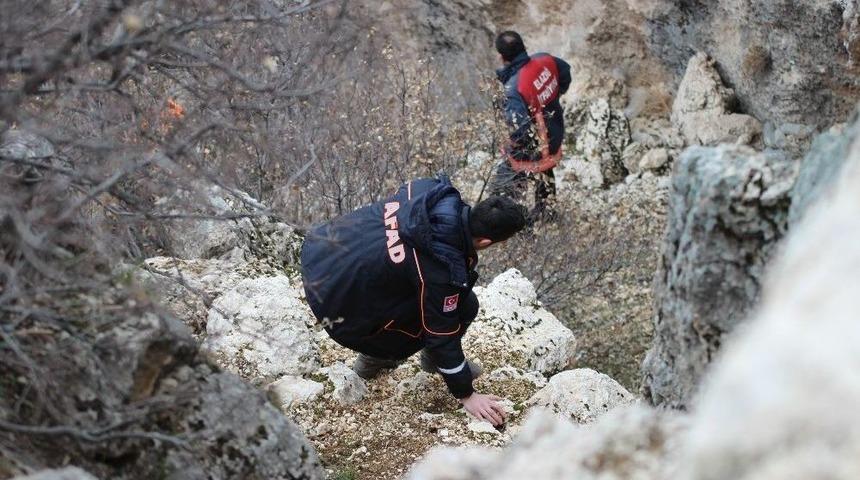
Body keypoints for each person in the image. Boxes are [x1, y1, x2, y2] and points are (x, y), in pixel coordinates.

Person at [300, 175, 526, 426]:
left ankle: (427, 359)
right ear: (485, 242)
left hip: (323, 253)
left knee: (459, 300)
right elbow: (441, 333)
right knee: (460, 309)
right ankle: (376, 357)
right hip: (339, 309)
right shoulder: (442, 268)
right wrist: (466, 394)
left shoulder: (429, 190)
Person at [490, 30, 571, 222]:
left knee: (503, 190)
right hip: (554, 133)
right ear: (523, 47)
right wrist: (552, 98)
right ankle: (548, 214)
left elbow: (519, 131)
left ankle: (516, 226)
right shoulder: (545, 60)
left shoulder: (514, 89)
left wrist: (511, 150)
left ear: (501, 57)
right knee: (545, 174)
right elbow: (565, 74)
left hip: (535, 148)